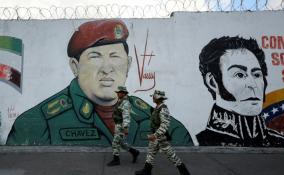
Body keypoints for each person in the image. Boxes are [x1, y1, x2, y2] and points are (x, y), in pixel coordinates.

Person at [6, 19, 193, 147]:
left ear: (127, 65)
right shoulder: (37, 124)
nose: (107, 68)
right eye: (95, 57)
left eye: (115, 57)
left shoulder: (159, 122)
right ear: (75, 66)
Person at [196, 36, 284, 147]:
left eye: (257, 75)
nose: (253, 84)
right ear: (213, 82)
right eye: (239, 74)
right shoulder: (200, 142)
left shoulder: (280, 142)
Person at [135, 90, 190, 175]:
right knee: (151, 152)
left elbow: (165, 125)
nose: (153, 98)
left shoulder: (163, 109)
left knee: (170, 155)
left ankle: (185, 172)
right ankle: (147, 171)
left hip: (161, 137)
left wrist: (156, 135)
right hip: (155, 136)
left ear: (159, 98)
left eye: (155, 96)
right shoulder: (157, 107)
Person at [107, 86, 140, 166]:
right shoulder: (121, 101)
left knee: (115, 143)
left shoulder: (125, 103)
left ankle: (116, 160)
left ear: (123, 93)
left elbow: (126, 116)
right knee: (120, 142)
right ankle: (134, 152)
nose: (118, 94)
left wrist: (125, 128)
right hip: (119, 124)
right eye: (118, 92)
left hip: (122, 125)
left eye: (119, 92)